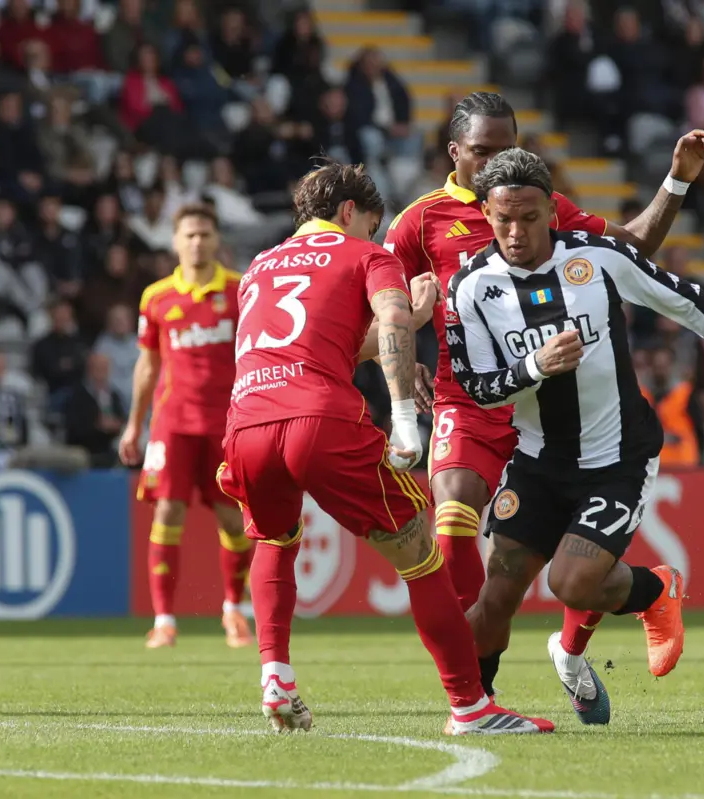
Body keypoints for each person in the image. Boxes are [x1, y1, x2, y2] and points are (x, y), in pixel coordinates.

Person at [384, 91, 704, 722]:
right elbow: (385, 307)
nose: (493, 163)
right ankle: (479, 697)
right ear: (454, 152)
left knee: (575, 569)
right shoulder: (418, 221)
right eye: (481, 152)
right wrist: (403, 362)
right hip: (474, 403)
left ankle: (587, 639)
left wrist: (676, 181)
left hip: (559, 411)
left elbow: (635, 249)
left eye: (504, 148)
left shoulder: (543, 206)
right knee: (455, 524)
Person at [445, 148, 704, 726]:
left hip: (616, 457)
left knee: (571, 583)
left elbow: (692, 302)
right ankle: (475, 710)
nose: (515, 231)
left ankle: (655, 592)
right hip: (534, 460)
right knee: (495, 594)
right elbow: (478, 388)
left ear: (552, 213)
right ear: (485, 212)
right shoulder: (471, 287)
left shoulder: (599, 259)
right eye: (503, 218)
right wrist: (535, 369)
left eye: (529, 218)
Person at [217, 160, 554, 736]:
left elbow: (325, 344)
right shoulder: (366, 255)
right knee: (421, 557)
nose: (373, 236)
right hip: (320, 420)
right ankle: (471, 707)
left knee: (274, 537)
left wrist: (414, 315)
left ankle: (276, 674)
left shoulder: (257, 267)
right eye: (371, 225)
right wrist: (403, 415)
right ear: (352, 213)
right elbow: (392, 320)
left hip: (247, 421)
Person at [119, 203, 254, 650]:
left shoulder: (239, 291)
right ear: (175, 241)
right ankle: (163, 620)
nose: (197, 242)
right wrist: (133, 426)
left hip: (226, 424)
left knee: (232, 520)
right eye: (189, 235)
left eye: (204, 234)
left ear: (217, 240)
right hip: (172, 422)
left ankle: (234, 609)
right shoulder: (156, 297)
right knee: (167, 511)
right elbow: (147, 364)